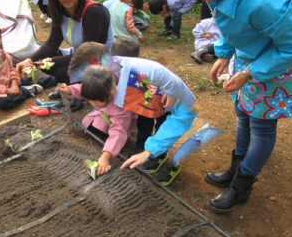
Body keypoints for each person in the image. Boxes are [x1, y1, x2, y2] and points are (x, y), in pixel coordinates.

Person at [176, 0, 292, 213]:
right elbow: (231, 17)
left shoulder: (263, 0)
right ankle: (236, 167)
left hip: (285, 52)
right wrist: (224, 53)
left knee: (261, 122)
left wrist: (251, 72)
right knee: (243, 110)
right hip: (259, 44)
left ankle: (242, 185)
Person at [68, 42, 197, 184]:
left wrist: (150, 151)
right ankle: (148, 147)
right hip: (150, 99)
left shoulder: (179, 100)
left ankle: (160, 157)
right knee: (146, 119)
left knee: (163, 125)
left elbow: (176, 123)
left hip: (167, 103)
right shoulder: (111, 74)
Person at [17, 0, 113, 85]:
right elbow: (52, 43)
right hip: (77, 56)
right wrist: (30, 60)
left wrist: (48, 61)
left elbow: (88, 54)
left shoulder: (93, 12)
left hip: (97, 60)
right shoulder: (60, 12)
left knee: (52, 65)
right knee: (46, 63)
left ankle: (78, 87)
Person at [58, 67, 135, 176]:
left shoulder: (120, 107)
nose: (92, 103)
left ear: (109, 94)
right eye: (90, 100)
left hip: (122, 122)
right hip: (105, 114)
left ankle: (114, 146)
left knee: (115, 137)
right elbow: (83, 90)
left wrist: (106, 156)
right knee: (90, 125)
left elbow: (118, 131)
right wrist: (70, 89)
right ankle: (107, 138)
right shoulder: (98, 89)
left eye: (95, 101)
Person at [0, 22, 50, 110]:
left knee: (49, 80)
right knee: (5, 103)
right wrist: (8, 90)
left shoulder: (2, 54)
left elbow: (12, 70)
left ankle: (26, 89)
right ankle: (26, 91)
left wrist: (14, 84)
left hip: (9, 85)